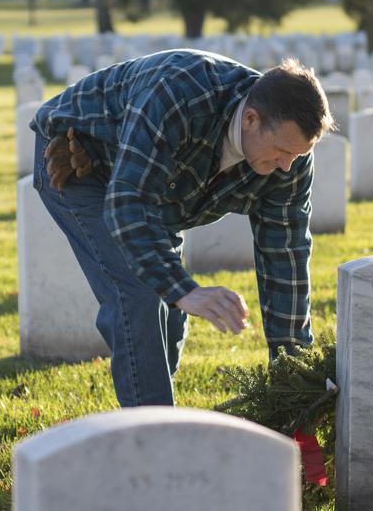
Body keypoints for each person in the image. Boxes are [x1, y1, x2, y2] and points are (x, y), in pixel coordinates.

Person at [30, 49, 334, 407]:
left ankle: (154, 401)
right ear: (251, 119)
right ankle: (155, 442)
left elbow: (286, 257)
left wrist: (293, 373)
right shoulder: (177, 93)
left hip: (162, 191)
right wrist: (183, 289)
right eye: (283, 152)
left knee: (170, 321)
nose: (287, 167)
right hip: (79, 159)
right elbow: (129, 204)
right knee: (139, 293)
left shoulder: (291, 158)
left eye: (297, 156)